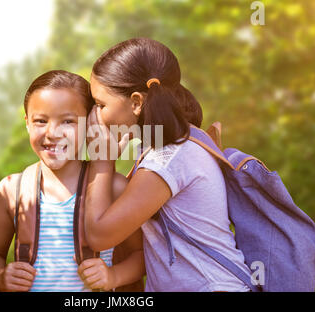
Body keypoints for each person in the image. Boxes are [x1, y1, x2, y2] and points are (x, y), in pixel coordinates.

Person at [84, 38, 252, 292]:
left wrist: (102, 162)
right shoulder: (170, 147)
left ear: (137, 102)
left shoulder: (168, 160)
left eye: (100, 105)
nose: (94, 116)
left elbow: (98, 235)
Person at [0, 70, 145, 292]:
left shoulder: (113, 187)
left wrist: (113, 275)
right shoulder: (10, 190)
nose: (52, 133)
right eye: (40, 121)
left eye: (68, 121)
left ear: (91, 124)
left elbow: (143, 254)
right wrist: (0, 276)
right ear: (27, 123)